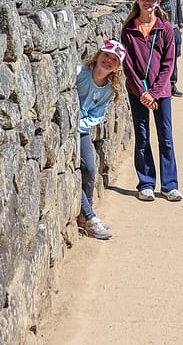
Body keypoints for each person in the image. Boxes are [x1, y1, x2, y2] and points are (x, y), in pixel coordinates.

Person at [121, 0, 180, 202]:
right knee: (143, 136)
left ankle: (169, 185)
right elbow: (128, 65)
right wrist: (142, 92)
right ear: (137, 0)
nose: (148, 2)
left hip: (160, 92)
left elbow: (168, 63)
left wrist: (153, 93)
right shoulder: (128, 31)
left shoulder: (164, 29)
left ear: (158, 3)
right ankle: (146, 183)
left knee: (166, 137)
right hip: (137, 91)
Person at [75, 39, 127, 240]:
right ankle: (90, 218)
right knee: (76, 171)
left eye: (114, 60)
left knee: (89, 169)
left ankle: (85, 217)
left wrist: (79, 123)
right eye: (106, 55)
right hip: (65, 129)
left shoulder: (107, 90)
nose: (108, 60)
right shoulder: (79, 74)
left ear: (116, 68)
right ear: (97, 56)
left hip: (82, 130)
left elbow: (97, 116)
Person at [152, 0, 183, 97]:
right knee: (161, 56)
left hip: (174, 26)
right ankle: (161, 85)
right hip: (161, 27)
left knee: (174, 56)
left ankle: (172, 84)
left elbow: (177, 5)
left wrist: (181, 23)